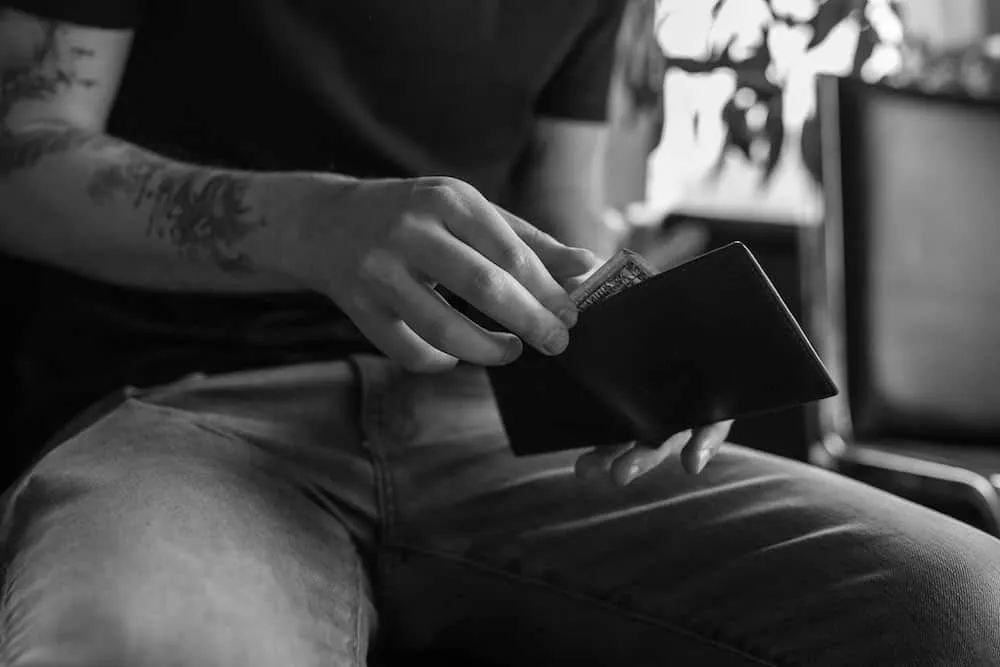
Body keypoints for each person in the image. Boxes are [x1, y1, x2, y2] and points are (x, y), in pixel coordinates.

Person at [0, 1, 998, 666]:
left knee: (966, 606)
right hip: (176, 406)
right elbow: (17, 153)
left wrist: (635, 341)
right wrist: (309, 221)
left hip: (487, 427)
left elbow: (562, 203)